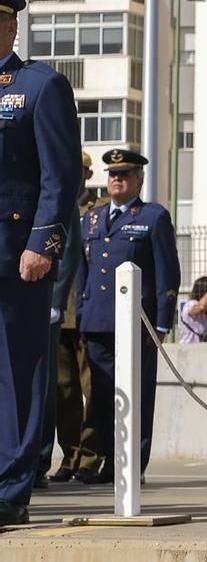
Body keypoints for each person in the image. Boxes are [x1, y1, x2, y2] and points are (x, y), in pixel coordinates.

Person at [0, 0, 82, 524]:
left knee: (19, 368)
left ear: (9, 26)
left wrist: (43, 244)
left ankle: (11, 488)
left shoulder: (39, 86)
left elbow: (61, 175)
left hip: (15, 254)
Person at [74, 148, 179, 481]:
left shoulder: (153, 217)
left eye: (124, 174)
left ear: (139, 179)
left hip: (138, 324)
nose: (116, 179)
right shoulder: (91, 218)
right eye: (112, 174)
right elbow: (82, 270)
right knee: (103, 397)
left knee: (137, 395)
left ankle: (133, 466)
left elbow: (167, 273)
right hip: (98, 322)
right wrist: (80, 313)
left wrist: (161, 323)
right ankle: (108, 459)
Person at [36, 149, 88, 487]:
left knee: (53, 385)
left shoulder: (60, 196)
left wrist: (55, 302)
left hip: (60, 306)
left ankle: (42, 461)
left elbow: (68, 252)